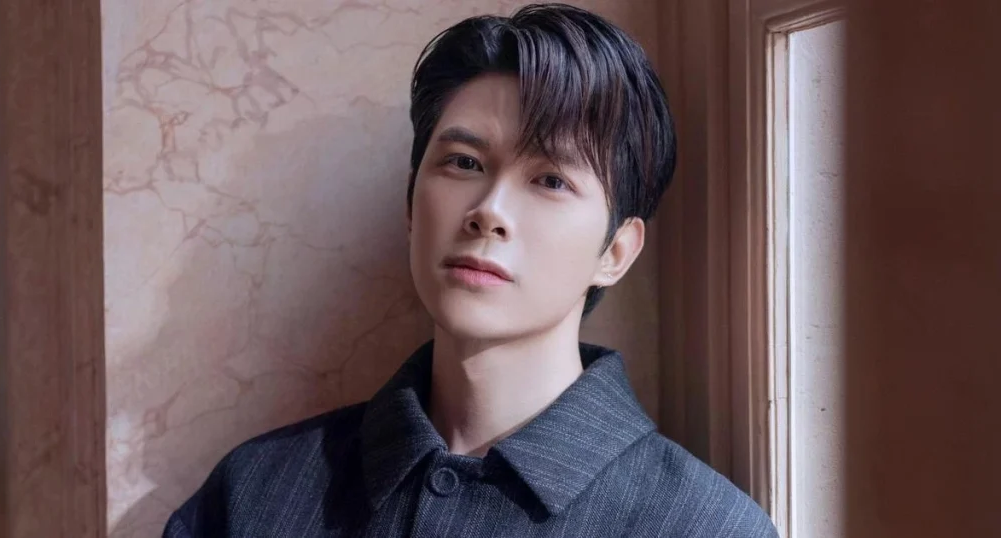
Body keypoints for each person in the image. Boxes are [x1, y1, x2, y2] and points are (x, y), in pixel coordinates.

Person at [163, 4, 778, 537]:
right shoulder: (254, 493)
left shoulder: (704, 526)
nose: (489, 211)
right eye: (463, 162)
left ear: (615, 251)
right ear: (411, 205)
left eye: (550, 180)